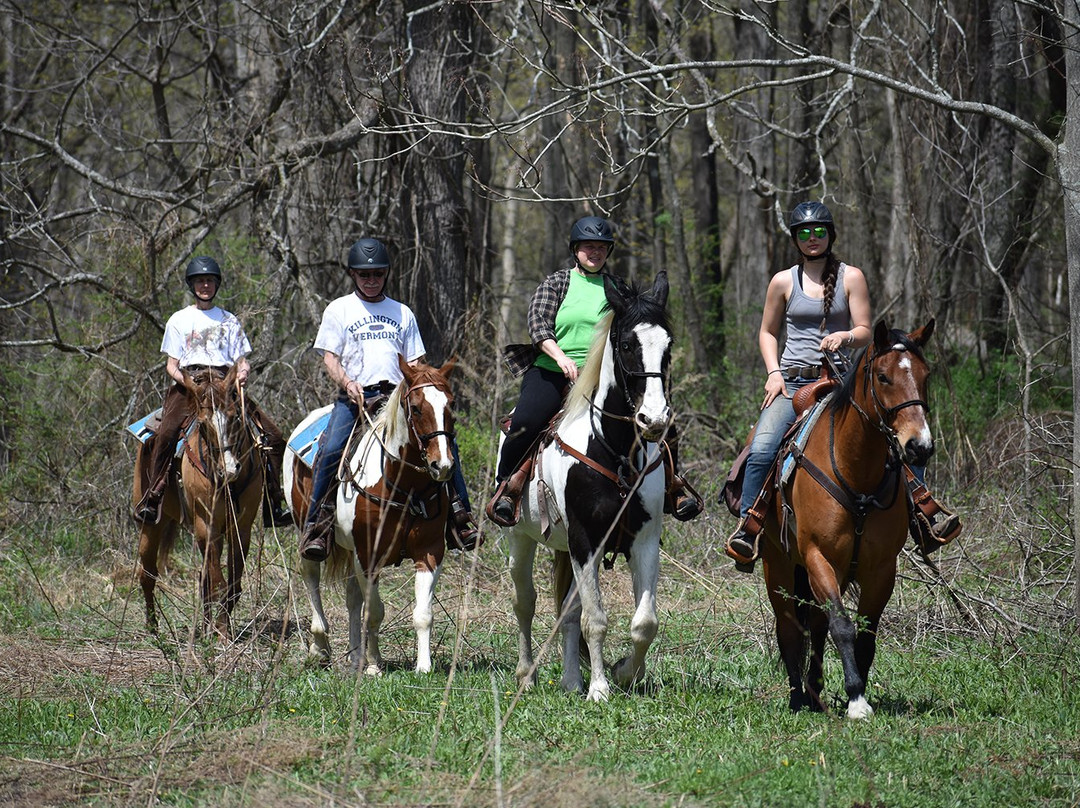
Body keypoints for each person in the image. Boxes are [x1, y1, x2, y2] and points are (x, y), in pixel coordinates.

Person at [724, 201, 962, 570]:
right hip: (791, 383)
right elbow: (768, 332)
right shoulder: (783, 281)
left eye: (819, 231)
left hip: (840, 380)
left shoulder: (851, 277)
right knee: (763, 448)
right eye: (804, 232)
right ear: (795, 239)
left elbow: (867, 329)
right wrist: (773, 373)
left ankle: (922, 514)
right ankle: (750, 528)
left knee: (896, 438)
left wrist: (845, 336)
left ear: (831, 235)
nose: (812, 238)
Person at [486, 215, 702, 527]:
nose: (596, 252)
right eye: (589, 246)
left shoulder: (617, 288)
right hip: (553, 371)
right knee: (527, 420)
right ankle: (508, 487)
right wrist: (561, 357)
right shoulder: (557, 283)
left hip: (606, 376)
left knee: (661, 419)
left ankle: (674, 486)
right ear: (575, 250)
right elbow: (538, 326)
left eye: (602, 247)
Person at [298, 237, 479, 562]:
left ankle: (459, 516)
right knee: (330, 448)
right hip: (356, 396)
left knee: (443, 445)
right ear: (353, 275)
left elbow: (416, 361)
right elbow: (329, 359)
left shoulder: (402, 312)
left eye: (377, 275)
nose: (371, 281)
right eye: (364, 275)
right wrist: (347, 382)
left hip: (399, 400)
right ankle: (319, 525)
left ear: (386, 275)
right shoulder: (339, 309)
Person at [134, 256, 290, 527]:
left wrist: (242, 372)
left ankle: (274, 502)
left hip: (223, 384)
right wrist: (189, 383)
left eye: (209, 281)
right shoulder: (179, 319)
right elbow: (171, 365)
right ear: (192, 286)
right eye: (199, 281)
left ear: (216, 285)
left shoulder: (228, 320)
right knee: (167, 432)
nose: (205, 285)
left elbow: (241, 359)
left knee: (273, 435)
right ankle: (154, 494)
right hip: (188, 384)